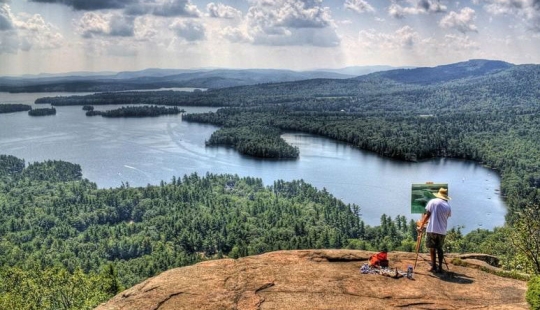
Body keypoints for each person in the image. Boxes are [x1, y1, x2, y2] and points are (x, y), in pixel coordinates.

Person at [417, 187, 452, 273]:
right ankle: (440, 267)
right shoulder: (448, 206)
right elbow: (446, 217)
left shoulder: (432, 202)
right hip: (442, 231)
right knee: (439, 248)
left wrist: (421, 225)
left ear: (438, 195)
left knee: (432, 248)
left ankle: (434, 266)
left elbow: (427, 215)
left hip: (432, 229)